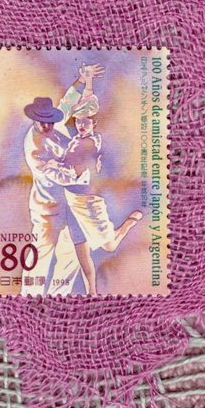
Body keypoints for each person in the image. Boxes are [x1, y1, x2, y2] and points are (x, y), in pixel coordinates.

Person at [40, 71, 143, 295]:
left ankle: (127, 225)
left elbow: (72, 173)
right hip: (71, 201)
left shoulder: (88, 143)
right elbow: (87, 102)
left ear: (94, 123)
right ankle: (92, 291)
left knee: (109, 246)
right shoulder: (76, 139)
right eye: (78, 121)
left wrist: (53, 167)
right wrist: (87, 82)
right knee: (81, 250)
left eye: (86, 122)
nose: (81, 125)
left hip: (87, 202)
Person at [20, 63, 104, 296]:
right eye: (43, 121)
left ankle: (60, 298)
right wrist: (85, 171)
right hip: (47, 208)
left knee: (70, 254)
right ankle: (29, 298)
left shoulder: (52, 122)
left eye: (50, 120)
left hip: (71, 205)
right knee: (42, 252)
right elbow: (59, 176)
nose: (48, 125)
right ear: (34, 120)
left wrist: (82, 80)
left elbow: (66, 104)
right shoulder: (35, 147)